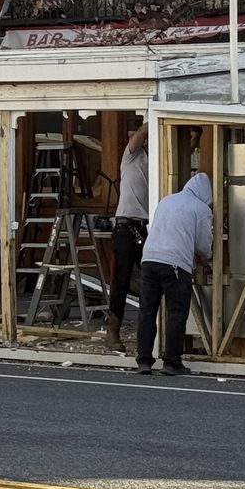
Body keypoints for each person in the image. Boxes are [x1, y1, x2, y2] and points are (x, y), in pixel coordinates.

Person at [135, 170, 212, 377]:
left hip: (149, 259)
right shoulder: (201, 208)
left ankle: (143, 360)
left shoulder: (167, 200)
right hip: (175, 264)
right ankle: (171, 362)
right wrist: (207, 257)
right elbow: (204, 246)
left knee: (147, 311)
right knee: (176, 313)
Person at [105, 122, 149, 351]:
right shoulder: (131, 156)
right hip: (125, 225)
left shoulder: (156, 158)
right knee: (120, 280)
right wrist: (150, 124)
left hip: (144, 226)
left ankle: (151, 331)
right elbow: (141, 133)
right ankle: (112, 332)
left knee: (151, 275)